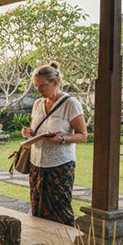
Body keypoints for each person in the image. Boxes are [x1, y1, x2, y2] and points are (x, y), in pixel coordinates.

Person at [21, 63, 87, 226]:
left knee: (59, 209)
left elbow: (83, 135)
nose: (39, 90)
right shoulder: (38, 104)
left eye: (42, 85)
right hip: (36, 164)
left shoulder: (70, 104)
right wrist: (29, 133)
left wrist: (62, 139)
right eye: (36, 86)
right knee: (37, 209)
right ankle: (40, 244)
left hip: (60, 164)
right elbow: (36, 129)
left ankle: (63, 244)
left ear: (55, 82)